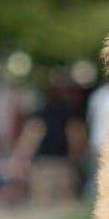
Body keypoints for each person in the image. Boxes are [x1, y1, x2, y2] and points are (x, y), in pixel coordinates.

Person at [8, 71, 87, 204]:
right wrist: (75, 160)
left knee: (42, 206)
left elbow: (29, 141)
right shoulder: (73, 114)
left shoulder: (41, 114)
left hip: (42, 166)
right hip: (63, 166)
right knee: (64, 206)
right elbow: (76, 140)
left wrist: (20, 161)